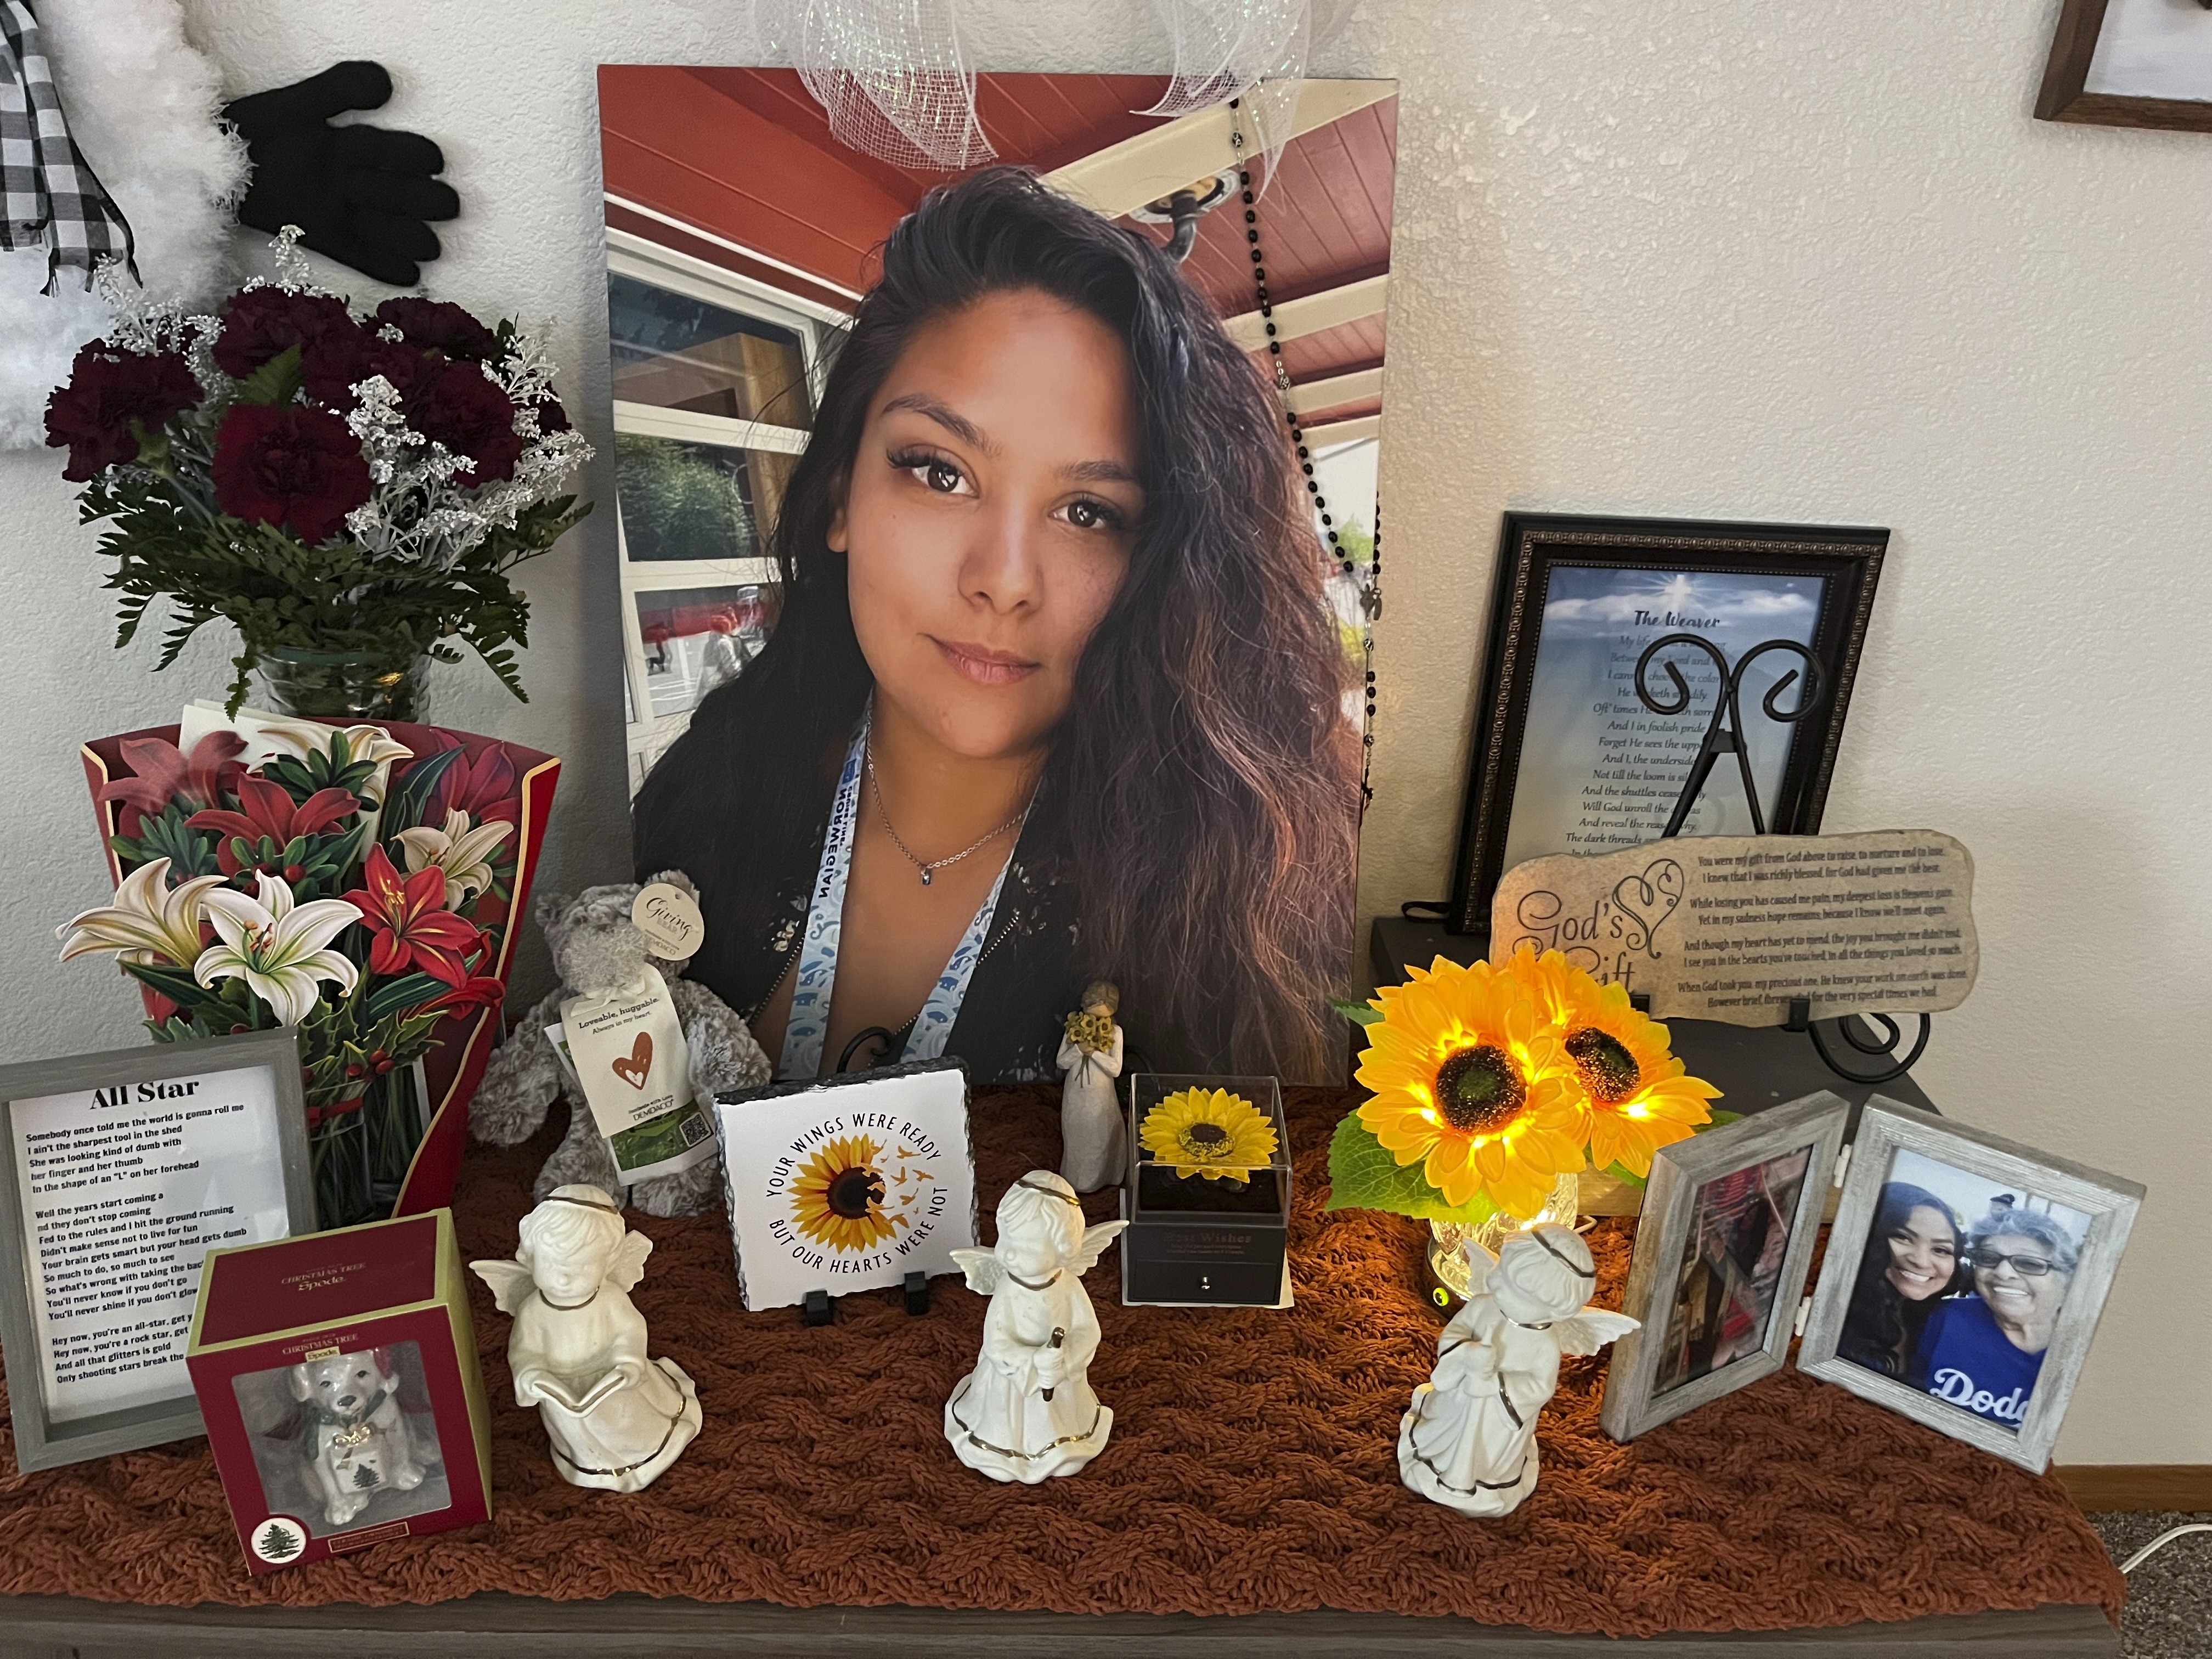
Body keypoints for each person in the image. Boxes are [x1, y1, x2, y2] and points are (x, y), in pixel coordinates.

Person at [633, 167, 1359, 1084]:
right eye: (939, 471)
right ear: (838, 496)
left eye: (1089, 511)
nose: (1004, 581)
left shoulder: (1236, 910)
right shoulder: (706, 794)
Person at [1913, 1203, 2079, 1429]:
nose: (2002, 1273)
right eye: (1989, 1258)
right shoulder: (1948, 1318)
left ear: (2067, 1281)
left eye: (2029, 1263)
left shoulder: (2080, 1353)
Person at [1836, 1182, 1964, 1379]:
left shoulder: (1931, 1322)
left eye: (1941, 1250)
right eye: (1903, 1238)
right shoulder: (1837, 1315)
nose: (1921, 1261)